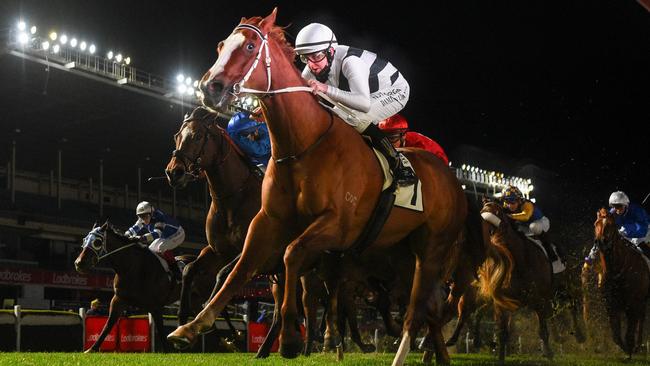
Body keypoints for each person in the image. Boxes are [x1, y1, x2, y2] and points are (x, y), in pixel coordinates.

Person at [295, 23, 416, 186]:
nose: (311, 65)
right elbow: (298, 94)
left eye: (316, 56)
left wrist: (325, 88)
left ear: (330, 51)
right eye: (305, 58)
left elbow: (363, 104)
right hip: (365, 93)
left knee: (355, 118)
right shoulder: (316, 62)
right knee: (333, 115)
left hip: (395, 90)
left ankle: (399, 166)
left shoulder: (351, 62)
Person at [125, 201, 185, 280]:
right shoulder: (143, 218)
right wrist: (125, 235)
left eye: (145, 216)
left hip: (178, 234)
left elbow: (157, 234)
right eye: (140, 216)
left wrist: (141, 238)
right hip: (165, 236)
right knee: (150, 250)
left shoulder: (159, 218)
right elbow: (134, 228)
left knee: (161, 247)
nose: (143, 219)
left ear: (151, 214)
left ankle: (176, 270)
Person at [585, 191, 650, 263]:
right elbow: (603, 234)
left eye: (619, 206)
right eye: (614, 206)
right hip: (627, 234)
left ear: (625, 205)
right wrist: (592, 254)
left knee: (638, 245)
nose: (617, 209)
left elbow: (643, 229)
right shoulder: (612, 214)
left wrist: (625, 230)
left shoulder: (637, 210)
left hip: (645, 231)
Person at [501, 185, 560, 264]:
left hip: (541, 222)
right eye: (507, 201)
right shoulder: (506, 206)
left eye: (512, 201)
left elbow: (526, 216)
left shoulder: (526, 204)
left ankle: (550, 251)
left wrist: (510, 216)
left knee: (534, 227)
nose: (509, 205)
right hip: (526, 226)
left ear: (519, 200)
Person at [378, 114, 449, 165]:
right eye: (384, 138)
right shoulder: (402, 141)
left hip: (439, 163)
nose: (387, 144)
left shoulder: (419, 146)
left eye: (392, 138)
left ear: (404, 136)